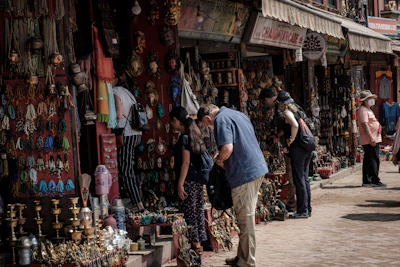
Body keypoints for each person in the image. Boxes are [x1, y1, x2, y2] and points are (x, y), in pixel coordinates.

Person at [198, 104, 268, 267]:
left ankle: (247, 261)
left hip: (245, 174)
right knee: (245, 218)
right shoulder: (237, 114)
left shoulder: (220, 120)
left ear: (208, 118)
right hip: (255, 169)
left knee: (245, 220)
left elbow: (228, 148)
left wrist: (219, 160)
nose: (208, 127)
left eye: (206, 125)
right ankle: (241, 257)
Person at [170, 106, 207, 255]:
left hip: (189, 181)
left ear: (176, 121)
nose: (172, 126)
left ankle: (196, 246)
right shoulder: (195, 134)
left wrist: (180, 183)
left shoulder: (185, 138)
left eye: (172, 122)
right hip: (197, 181)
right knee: (197, 212)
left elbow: (185, 163)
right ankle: (198, 246)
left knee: (191, 214)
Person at [260, 87, 297, 212]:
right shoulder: (282, 106)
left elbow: (288, 125)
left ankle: (294, 202)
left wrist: (277, 136)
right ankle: (296, 201)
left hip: (290, 144)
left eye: (265, 102)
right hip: (292, 145)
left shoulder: (281, 108)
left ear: (267, 99)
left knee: (292, 174)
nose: (267, 105)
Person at [276, 91, 312, 219]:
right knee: (304, 177)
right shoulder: (298, 109)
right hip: (308, 145)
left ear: (281, 104)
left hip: (299, 147)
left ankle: (302, 210)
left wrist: (291, 139)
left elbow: (295, 125)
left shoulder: (287, 111)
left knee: (299, 178)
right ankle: (307, 208)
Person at [113, 76, 144, 211]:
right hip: (136, 134)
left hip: (127, 134)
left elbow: (119, 115)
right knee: (129, 168)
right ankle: (137, 200)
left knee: (126, 170)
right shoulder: (128, 93)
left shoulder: (116, 91)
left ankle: (138, 204)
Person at [357, 90, 385, 187]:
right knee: (373, 159)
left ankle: (367, 180)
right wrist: (371, 137)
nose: (371, 100)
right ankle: (374, 179)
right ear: (364, 101)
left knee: (369, 159)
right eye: (369, 99)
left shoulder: (368, 109)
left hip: (373, 138)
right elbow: (365, 125)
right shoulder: (363, 110)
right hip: (370, 139)